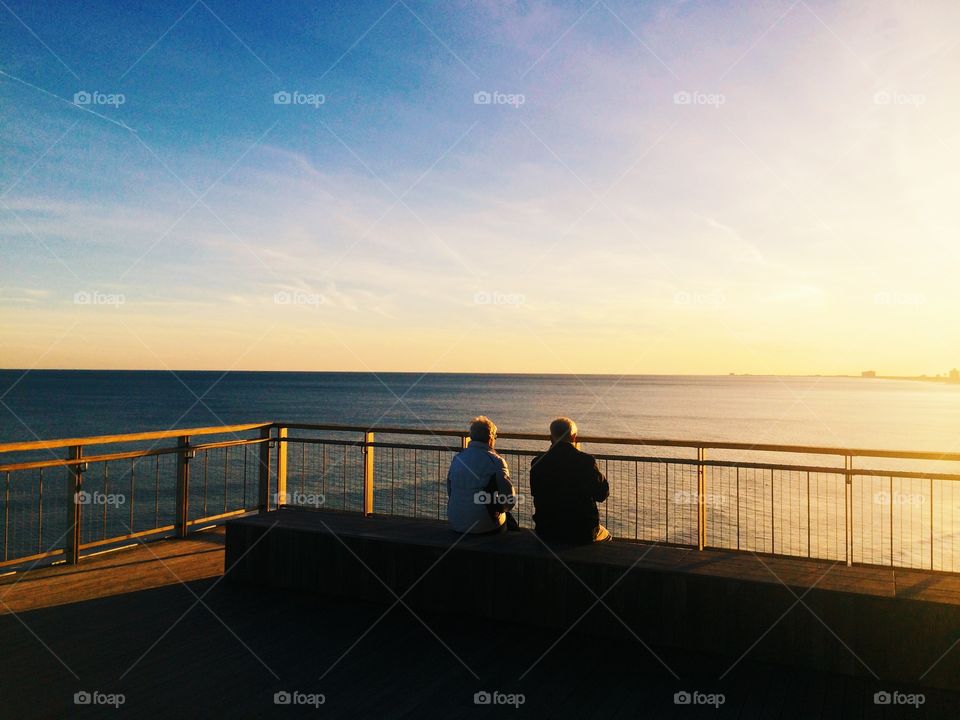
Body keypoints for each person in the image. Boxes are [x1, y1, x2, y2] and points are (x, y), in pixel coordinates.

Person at [530, 417, 611, 543]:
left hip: (546, 530)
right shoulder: (586, 461)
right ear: (574, 437)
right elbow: (601, 495)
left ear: (551, 438)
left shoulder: (537, 462)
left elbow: (536, 493)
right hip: (581, 531)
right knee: (607, 536)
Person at [446, 416, 518, 534]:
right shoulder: (496, 461)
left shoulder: (457, 459)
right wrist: (501, 508)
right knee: (507, 520)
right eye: (495, 437)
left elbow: (450, 490)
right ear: (490, 439)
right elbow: (510, 499)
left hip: (456, 522)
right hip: (484, 526)